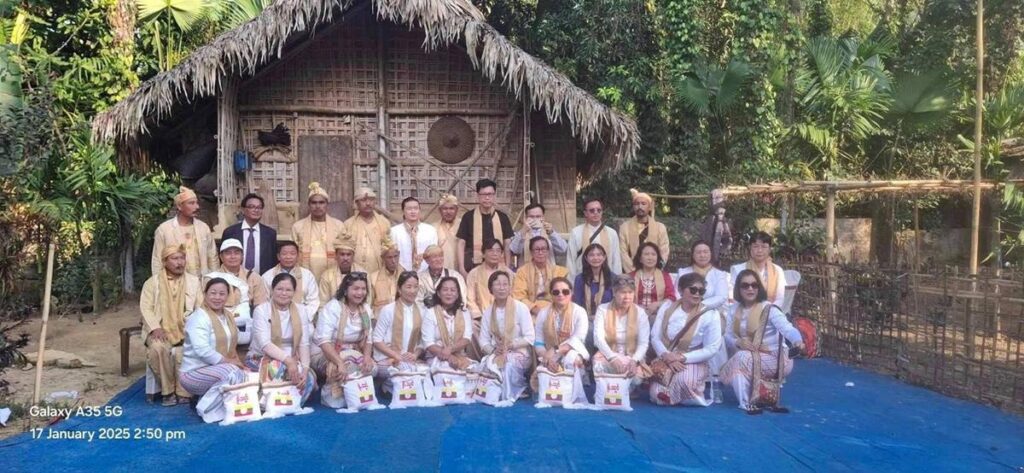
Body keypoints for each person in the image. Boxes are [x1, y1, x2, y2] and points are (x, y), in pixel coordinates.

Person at [722, 269, 804, 413]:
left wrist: (797, 341)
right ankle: (747, 403)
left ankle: (731, 384)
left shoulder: (769, 308)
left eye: (754, 285)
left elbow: (787, 328)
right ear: (738, 289)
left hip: (777, 357)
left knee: (740, 358)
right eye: (745, 285)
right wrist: (738, 342)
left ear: (759, 288)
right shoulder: (734, 309)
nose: (750, 289)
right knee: (740, 362)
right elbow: (727, 335)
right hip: (752, 355)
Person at [139, 244, 202, 405]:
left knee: (185, 350)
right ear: (165, 262)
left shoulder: (194, 282)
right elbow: (146, 308)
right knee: (157, 348)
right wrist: (155, 328)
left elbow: (200, 308)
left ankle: (183, 391)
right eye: (175, 258)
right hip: (159, 330)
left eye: (182, 258)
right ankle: (167, 391)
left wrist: (193, 327)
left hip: (186, 329)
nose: (180, 262)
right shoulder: (152, 283)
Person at [179, 278, 249, 423]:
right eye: (213, 293)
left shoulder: (227, 316)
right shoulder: (198, 317)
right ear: (205, 294)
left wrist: (259, 332)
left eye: (222, 294)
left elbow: (237, 337)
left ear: (227, 296)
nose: (217, 297)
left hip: (216, 370)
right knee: (232, 372)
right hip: (193, 373)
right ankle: (205, 408)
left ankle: (204, 398)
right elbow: (202, 350)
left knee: (246, 374)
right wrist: (229, 362)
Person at [649, 272, 723, 406]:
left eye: (701, 291)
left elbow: (712, 348)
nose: (697, 294)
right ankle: (685, 394)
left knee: (683, 381)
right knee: (655, 393)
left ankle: (686, 392)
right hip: (667, 357)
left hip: (693, 360)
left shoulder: (710, 314)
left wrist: (682, 358)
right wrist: (667, 355)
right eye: (693, 290)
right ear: (680, 290)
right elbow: (655, 336)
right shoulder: (667, 308)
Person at [246, 273, 317, 405]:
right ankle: (268, 404)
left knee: (308, 378)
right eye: (279, 289)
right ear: (272, 290)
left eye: (288, 290)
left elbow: (304, 343)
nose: (284, 293)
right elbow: (265, 344)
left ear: (294, 292)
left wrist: (305, 368)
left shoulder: (301, 310)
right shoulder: (261, 310)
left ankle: (292, 404)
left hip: (293, 358)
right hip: (261, 357)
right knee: (279, 369)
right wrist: (289, 361)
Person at [313, 273, 376, 406]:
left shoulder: (365, 309)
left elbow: (368, 338)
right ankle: (338, 396)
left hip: (355, 351)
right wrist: (339, 362)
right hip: (328, 352)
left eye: (363, 289)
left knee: (371, 367)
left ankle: (355, 396)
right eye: (356, 289)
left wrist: (367, 357)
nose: (360, 293)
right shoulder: (333, 307)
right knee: (346, 366)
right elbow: (323, 341)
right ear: (346, 291)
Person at [477, 271, 535, 403]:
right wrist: (493, 350)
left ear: (510, 287)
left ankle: (516, 390)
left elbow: (530, 337)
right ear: (491, 289)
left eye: (505, 284)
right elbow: (483, 340)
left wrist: (511, 345)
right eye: (497, 284)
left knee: (508, 364)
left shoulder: (521, 308)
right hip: (497, 351)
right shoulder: (488, 312)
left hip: (519, 351)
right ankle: (495, 392)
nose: (502, 288)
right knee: (488, 365)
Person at [533, 277, 589, 405]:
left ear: (571, 293)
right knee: (544, 374)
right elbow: (539, 342)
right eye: (556, 292)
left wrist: (555, 352)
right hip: (548, 355)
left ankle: (573, 395)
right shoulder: (544, 313)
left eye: (565, 291)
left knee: (572, 359)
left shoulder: (579, 312)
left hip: (573, 351)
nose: (561, 295)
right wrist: (546, 358)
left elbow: (578, 339)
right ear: (551, 294)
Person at [371, 271, 429, 392]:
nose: (413, 291)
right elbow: (376, 339)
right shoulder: (388, 310)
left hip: (410, 358)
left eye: (416, 287)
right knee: (403, 369)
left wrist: (415, 355)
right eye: (408, 287)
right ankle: (390, 387)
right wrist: (396, 355)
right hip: (388, 358)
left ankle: (397, 387)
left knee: (427, 370)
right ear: (399, 289)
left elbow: (423, 341)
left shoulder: (422, 311)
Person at [592, 275, 651, 394]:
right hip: (609, 354)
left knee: (636, 379)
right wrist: (612, 358)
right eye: (623, 292)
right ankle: (606, 389)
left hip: (631, 356)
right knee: (598, 364)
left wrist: (634, 361)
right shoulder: (603, 310)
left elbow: (643, 343)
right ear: (614, 292)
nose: (627, 297)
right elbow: (598, 338)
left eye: (630, 292)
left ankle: (623, 389)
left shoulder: (640, 313)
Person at [205, 239, 269, 344]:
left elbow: (261, 307)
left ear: (242, 256)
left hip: (247, 328)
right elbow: (205, 307)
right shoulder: (211, 278)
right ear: (221, 257)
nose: (232, 256)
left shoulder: (254, 277)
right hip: (218, 328)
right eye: (228, 253)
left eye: (236, 253)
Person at [152, 186, 218, 277]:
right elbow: (157, 260)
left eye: (196, 203)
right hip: (175, 281)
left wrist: (214, 280)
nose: (197, 207)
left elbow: (212, 257)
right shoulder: (164, 230)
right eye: (191, 203)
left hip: (201, 281)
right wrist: (159, 282)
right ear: (179, 206)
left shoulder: (203, 228)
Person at [456, 179, 514, 275]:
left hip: (498, 268)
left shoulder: (502, 217)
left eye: (490, 194)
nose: (487, 198)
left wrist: (507, 267)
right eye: (483, 194)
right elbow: (461, 243)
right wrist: (462, 269)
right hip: (473, 267)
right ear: (477, 196)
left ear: (494, 196)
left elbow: (507, 244)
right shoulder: (468, 217)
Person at [292, 182, 346, 280]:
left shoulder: (338, 226)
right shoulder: (298, 226)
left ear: (327, 205)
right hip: (305, 275)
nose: (317, 206)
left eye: (321, 202)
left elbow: (344, 252)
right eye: (314, 203)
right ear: (309, 205)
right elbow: (292, 253)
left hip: (332, 275)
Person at [422, 277, 477, 371]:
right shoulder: (430, 312)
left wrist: (450, 350)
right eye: (445, 290)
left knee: (475, 370)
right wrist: (449, 356)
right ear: (438, 293)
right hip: (436, 357)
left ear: (457, 294)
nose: (449, 293)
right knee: (446, 369)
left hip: (459, 356)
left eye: (453, 290)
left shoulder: (464, 313)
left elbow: (467, 338)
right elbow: (428, 343)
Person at [512, 236, 570, 317]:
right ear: (531, 252)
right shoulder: (522, 272)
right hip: (529, 313)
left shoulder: (559, 271)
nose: (540, 253)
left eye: (543, 249)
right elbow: (519, 297)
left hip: (555, 311)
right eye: (537, 249)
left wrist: (552, 311)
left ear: (548, 252)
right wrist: (535, 309)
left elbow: (564, 295)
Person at [222, 193, 277, 275]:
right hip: (234, 277)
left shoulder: (270, 233)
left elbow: (273, 260)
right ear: (243, 210)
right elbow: (223, 257)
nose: (256, 210)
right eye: (252, 207)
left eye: (259, 207)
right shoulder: (230, 232)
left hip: (262, 279)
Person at [262, 241, 320, 315]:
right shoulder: (267, 276)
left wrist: (303, 317)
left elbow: (313, 301)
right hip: (274, 316)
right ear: (278, 256)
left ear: (298, 256)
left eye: (292, 254)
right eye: (284, 254)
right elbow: (264, 302)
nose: (288, 257)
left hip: (302, 316)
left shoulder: (307, 275)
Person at [567, 197, 621, 276]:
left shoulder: (612, 233)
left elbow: (616, 260)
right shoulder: (576, 232)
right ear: (585, 213)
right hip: (582, 278)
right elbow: (570, 260)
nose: (596, 213)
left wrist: (616, 280)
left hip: (607, 278)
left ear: (602, 212)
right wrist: (571, 282)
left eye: (599, 210)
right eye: (592, 210)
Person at [729, 231, 786, 307]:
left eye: (764, 247)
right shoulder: (738, 269)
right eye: (755, 246)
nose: (759, 250)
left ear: (769, 250)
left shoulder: (777, 270)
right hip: (745, 310)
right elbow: (733, 296)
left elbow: (781, 297)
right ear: (750, 248)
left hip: (772, 310)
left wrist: (768, 310)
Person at [619, 189, 670, 273]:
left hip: (654, 272)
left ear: (649, 207)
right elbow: (623, 253)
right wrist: (634, 272)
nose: (640, 207)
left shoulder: (660, 227)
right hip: (631, 272)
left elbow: (664, 251)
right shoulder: (624, 227)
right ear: (633, 207)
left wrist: (654, 270)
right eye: (637, 204)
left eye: (643, 204)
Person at [345, 187, 391, 274]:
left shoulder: (384, 223)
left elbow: (389, 248)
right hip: (354, 273)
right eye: (363, 200)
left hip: (379, 272)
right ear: (356, 203)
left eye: (371, 200)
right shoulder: (348, 224)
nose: (368, 203)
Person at [465, 238, 514, 319]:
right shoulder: (474, 273)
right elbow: (470, 299)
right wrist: (478, 317)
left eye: (498, 251)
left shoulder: (509, 273)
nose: (495, 254)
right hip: (480, 317)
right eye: (491, 250)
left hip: (505, 316)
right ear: (483, 254)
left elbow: (513, 296)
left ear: (502, 254)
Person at [508, 203, 568, 267]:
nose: (535, 219)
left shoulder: (550, 232)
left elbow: (563, 249)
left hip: (548, 270)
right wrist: (523, 231)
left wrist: (552, 233)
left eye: (538, 216)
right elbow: (514, 250)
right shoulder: (521, 233)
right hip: (526, 271)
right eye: (531, 217)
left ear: (543, 217)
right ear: (525, 218)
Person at [318, 232, 369, 306]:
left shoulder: (363, 274)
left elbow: (368, 301)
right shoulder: (327, 276)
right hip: (334, 312)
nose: (345, 258)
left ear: (353, 256)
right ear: (336, 256)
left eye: (348, 254)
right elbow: (323, 304)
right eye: (342, 254)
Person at [630, 242, 677, 322]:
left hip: (658, 316)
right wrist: (638, 308)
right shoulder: (631, 276)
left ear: (657, 258)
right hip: (635, 315)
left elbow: (671, 298)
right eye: (646, 254)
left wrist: (658, 304)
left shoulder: (665, 276)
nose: (650, 258)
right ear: (640, 258)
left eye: (653, 254)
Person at [676, 240, 730, 310]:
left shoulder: (719, 274)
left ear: (711, 254)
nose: (702, 255)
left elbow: (721, 296)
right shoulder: (683, 272)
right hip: (686, 310)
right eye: (698, 252)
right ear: (693, 255)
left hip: (712, 311)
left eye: (705, 252)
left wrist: (700, 306)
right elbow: (677, 294)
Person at [390, 197, 438, 272]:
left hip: (425, 273)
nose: (413, 211)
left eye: (416, 208)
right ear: (403, 211)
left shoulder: (430, 230)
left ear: (419, 210)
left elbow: (433, 253)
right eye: (409, 209)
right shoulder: (394, 232)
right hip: (401, 273)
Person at [572, 243, 616, 317]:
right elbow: (577, 304)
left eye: (599, 255)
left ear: (604, 257)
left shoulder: (613, 278)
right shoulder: (580, 279)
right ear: (586, 258)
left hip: (607, 318)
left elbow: (616, 303)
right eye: (591, 255)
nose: (595, 258)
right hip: (585, 319)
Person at [431, 193, 463, 271]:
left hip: (460, 270)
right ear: (440, 210)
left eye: (451, 208)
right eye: (445, 209)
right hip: (440, 270)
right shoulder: (433, 228)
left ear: (456, 210)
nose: (448, 212)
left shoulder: (463, 225)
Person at [370, 237, 402, 313]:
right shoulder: (373, 277)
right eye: (389, 257)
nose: (393, 261)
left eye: (395, 256)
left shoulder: (405, 276)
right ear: (383, 258)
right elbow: (369, 304)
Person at [698, 200, 732, 267]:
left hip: (718, 253)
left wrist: (723, 250)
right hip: (708, 250)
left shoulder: (724, 221)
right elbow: (703, 236)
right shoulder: (708, 220)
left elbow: (728, 238)